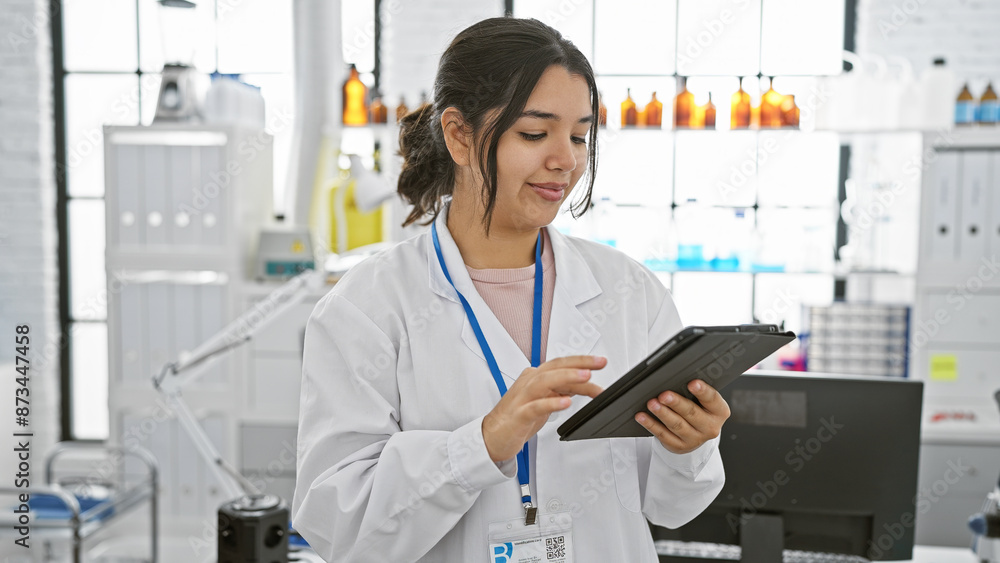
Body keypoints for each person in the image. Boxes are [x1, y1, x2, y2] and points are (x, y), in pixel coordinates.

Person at [292, 16, 729, 563]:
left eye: (578, 135)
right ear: (459, 135)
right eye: (533, 133)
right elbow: (340, 525)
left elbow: (670, 507)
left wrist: (689, 445)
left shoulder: (628, 291)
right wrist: (481, 443)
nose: (566, 161)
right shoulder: (369, 307)